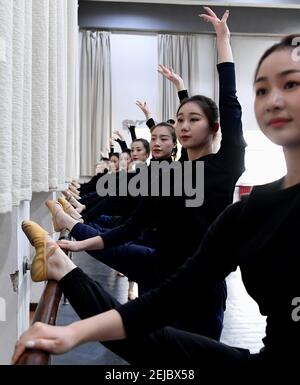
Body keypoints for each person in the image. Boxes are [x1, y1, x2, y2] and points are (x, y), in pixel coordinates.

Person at [13, 7, 250, 366]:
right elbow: (131, 226)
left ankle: (67, 238)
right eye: (180, 119)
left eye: (194, 120)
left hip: (200, 287)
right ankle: (66, 247)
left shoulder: (225, 164)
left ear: (214, 128)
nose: (184, 126)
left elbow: (229, 104)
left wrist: (223, 42)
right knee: (143, 349)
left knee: (188, 362)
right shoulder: (170, 175)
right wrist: (80, 240)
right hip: (161, 274)